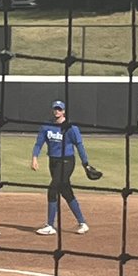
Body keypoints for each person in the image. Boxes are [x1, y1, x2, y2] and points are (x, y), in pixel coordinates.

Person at [31, 99, 91, 235]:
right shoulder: (46, 126)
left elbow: (79, 146)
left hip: (67, 162)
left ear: (64, 111)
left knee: (53, 189)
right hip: (53, 162)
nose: (57, 111)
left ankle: (50, 225)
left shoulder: (71, 128)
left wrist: (85, 163)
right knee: (66, 191)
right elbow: (38, 143)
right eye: (55, 109)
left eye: (60, 109)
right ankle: (82, 222)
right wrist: (34, 157)